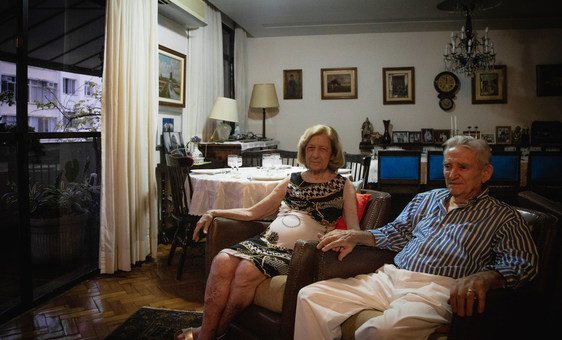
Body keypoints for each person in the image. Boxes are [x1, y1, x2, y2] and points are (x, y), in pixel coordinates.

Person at [294, 135, 538, 340]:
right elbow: (396, 233)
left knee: (381, 331)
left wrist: (488, 276)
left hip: (438, 289)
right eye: (447, 166)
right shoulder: (427, 199)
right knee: (310, 297)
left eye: (462, 167)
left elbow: (523, 263)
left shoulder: (503, 216)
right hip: (390, 276)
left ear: (485, 173)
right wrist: (357, 235)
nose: (452, 174)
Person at [176, 124, 360, 340]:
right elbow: (253, 212)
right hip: (265, 242)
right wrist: (213, 211)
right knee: (221, 261)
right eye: (311, 148)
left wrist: (341, 239)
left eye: (322, 149)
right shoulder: (291, 181)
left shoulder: (343, 186)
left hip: (300, 252)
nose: (316, 154)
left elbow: (354, 230)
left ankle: (215, 333)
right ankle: (207, 332)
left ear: (333, 154)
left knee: (246, 270)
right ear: (304, 151)